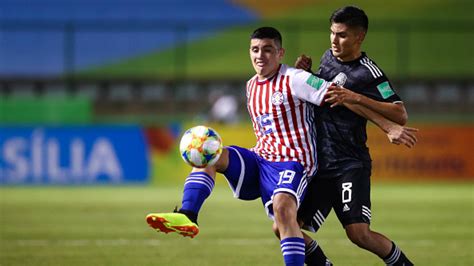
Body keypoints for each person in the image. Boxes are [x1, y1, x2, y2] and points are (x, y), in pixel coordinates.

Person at [146, 26, 335, 266]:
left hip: (293, 162)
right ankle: (188, 215)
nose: (260, 55)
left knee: (283, 216)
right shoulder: (251, 86)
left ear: (280, 53)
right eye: (255, 49)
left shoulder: (294, 79)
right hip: (261, 159)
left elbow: (332, 94)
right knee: (209, 153)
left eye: (268, 50)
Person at [292, 6, 415, 266]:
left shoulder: (370, 73)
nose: (334, 41)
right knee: (287, 226)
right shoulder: (328, 58)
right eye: (332, 33)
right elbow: (329, 94)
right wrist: (308, 75)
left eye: (342, 35)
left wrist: (357, 96)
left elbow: (400, 113)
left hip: (349, 163)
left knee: (358, 234)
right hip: (319, 163)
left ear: (360, 37)